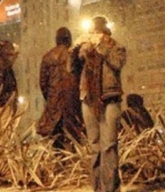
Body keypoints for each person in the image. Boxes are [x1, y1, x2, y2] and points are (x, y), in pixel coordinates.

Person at [70, 16, 126, 192]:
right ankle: (98, 189)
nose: (93, 35)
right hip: (88, 99)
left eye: (96, 31)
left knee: (109, 146)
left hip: (110, 99)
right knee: (95, 147)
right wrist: (74, 50)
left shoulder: (115, 46)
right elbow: (71, 69)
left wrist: (101, 45)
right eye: (92, 32)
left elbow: (117, 63)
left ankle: (110, 189)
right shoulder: (86, 49)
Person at [37, 27, 83, 147]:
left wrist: (51, 97)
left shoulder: (48, 57)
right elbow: (81, 79)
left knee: (56, 140)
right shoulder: (74, 56)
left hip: (54, 103)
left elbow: (43, 83)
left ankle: (59, 164)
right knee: (74, 139)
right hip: (73, 102)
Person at [0, 38, 19, 108]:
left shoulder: (7, 70)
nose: (11, 58)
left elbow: (12, 89)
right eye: (8, 55)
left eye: (12, 55)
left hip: (5, 107)